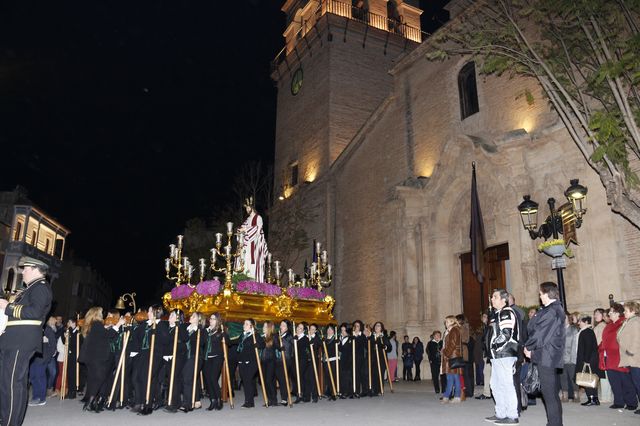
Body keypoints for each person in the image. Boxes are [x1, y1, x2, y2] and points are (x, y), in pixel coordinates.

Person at [0, 256, 53, 425]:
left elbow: (35, 312)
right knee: (7, 382)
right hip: (13, 340)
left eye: (25, 268)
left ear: (35, 269)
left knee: (13, 384)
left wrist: (6, 307)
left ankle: (11, 422)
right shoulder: (30, 289)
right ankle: (5, 417)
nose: (22, 272)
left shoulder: (41, 287)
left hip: (20, 342)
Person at [524, 282, 565, 426]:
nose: (540, 297)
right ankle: (555, 423)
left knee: (549, 394)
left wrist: (528, 347)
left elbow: (540, 334)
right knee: (551, 393)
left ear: (547, 293)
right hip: (547, 355)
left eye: (540, 294)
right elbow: (533, 326)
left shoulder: (552, 311)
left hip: (547, 356)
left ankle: (554, 424)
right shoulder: (551, 309)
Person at [485, 289, 519, 425]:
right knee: (495, 385)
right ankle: (501, 413)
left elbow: (506, 334)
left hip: (505, 354)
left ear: (503, 300)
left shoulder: (506, 312)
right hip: (496, 356)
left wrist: (493, 346)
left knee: (506, 384)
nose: (492, 299)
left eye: (495, 297)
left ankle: (512, 415)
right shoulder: (496, 314)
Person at [79, 307, 116, 412]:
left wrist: (107, 327)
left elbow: (99, 336)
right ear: (96, 314)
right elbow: (107, 336)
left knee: (92, 379)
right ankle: (89, 402)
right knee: (99, 378)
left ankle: (92, 402)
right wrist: (117, 326)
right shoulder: (97, 324)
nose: (102, 314)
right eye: (100, 312)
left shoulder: (92, 324)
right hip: (96, 357)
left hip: (90, 357)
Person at [599, 304, 636, 410]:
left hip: (621, 357)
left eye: (610, 312)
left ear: (617, 313)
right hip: (609, 358)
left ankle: (631, 402)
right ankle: (619, 401)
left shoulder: (624, 323)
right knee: (614, 381)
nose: (609, 314)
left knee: (626, 381)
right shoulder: (609, 325)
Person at [161, 309, 188, 413]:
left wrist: (178, 327)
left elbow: (185, 339)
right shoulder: (167, 328)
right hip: (167, 356)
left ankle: (173, 404)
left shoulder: (181, 327)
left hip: (178, 356)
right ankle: (173, 401)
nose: (169, 317)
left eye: (172, 315)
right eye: (170, 315)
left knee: (175, 379)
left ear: (178, 318)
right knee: (170, 379)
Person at [236, 196, 268, 282]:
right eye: (246, 209)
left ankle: (254, 281)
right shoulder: (247, 220)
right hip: (247, 244)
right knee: (245, 261)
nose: (247, 210)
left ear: (252, 207)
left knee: (253, 263)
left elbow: (258, 229)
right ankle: (243, 280)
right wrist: (239, 231)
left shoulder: (258, 218)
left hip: (255, 244)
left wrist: (245, 230)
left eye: (248, 208)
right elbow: (242, 228)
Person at [617, 300, 640, 415]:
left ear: (633, 310)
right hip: (630, 358)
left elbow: (637, 338)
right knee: (636, 383)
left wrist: (630, 351)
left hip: (635, 358)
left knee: (638, 383)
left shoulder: (635, 322)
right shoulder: (628, 321)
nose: (624, 312)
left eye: (626, 310)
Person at [180, 312, 205, 412]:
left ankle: (187, 403)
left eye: (193, 316)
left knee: (187, 378)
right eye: (191, 315)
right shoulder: (186, 329)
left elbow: (203, 342)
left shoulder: (201, 331)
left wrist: (198, 331)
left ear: (199, 320)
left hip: (196, 357)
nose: (190, 317)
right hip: (185, 357)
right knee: (189, 378)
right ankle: (196, 400)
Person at [237, 318, 265, 408]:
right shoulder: (242, 335)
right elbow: (236, 344)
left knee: (248, 380)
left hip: (252, 361)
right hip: (242, 361)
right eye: (244, 323)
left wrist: (257, 344)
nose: (244, 325)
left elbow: (262, 344)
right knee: (245, 381)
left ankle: (250, 402)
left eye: (246, 324)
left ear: (251, 326)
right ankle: (248, 400)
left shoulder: (255, 335)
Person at [576, 315, 602, 407]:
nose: (578, 323)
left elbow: (588, 347)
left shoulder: (586, 332)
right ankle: (594, 399)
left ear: (586, 322)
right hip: (590, 360)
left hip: (588, 360)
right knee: (590, 380)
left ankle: (592, 399)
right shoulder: (588, 331)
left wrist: (586, 360)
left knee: (588, 380)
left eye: (580, 321)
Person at [202, 313, 227, 411]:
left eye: (213, 319)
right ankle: (213, 401)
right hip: (207, 357)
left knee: (213, 378)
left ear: (217, 321)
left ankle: (219, 399)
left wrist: (224, 336)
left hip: (217, 357)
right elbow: (202, 343)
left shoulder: (220, 331)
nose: (211, 320)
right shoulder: (206, 331)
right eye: (210, 319)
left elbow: (228, 342)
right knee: (208, 380)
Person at [441, 316, 462, 403]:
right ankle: (447, 396)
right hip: (451, 356)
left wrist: (446, 352)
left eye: (447, 322)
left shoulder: (454, 330)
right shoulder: (451, 330)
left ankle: (456, 396)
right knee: (450, 377)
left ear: (451, 321)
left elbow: (452, 344)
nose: (445, 323)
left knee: (454, 377)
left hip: (452, 357)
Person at [560, 314, 578, 402]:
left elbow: (574, 346)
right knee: (562, 378)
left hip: (570, 358)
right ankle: (565, 396)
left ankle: (576, 395)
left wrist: (573, 359)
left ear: (569, 319)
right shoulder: (559, 330)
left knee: (572, 378)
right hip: (560, 359)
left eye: (565, 318)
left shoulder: (573, 330)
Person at [275, 320, 293, 405]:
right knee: (280, 378)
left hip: (286, 359)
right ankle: (283, 397)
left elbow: (292, 346)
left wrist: (282, 342)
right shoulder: (277, 335)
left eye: (283, 325)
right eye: (281, 325)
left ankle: (285, 399)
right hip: (278, 359)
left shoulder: (289, 336)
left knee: (283, 379)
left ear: (287, 327)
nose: (281, 327)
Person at [260, 321, 278, 407]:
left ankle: (273, 399)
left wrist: (280, 347)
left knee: (269, 380)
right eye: (263, 327)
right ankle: (269, 400)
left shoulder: (273, 337)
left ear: (269, 328)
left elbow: (278, 346)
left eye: (265, 327)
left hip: (271, 361)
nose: (263, 328)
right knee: (265, 381)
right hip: (263, 361)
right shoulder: (262, 337)